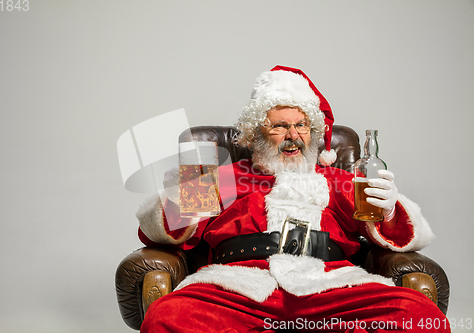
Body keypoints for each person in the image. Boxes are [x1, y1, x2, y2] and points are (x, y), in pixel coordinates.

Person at [136, 65, 449, 332]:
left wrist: (391, 209)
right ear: (256, 134)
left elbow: (393, 231)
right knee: (166, 318)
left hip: (330, 285)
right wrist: (174, 200)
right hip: (238, 288)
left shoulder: (338, 181)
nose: (293, 134)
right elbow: (160, 233)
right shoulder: (227, 178)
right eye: (280, 126)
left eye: (301, 125)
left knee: (419, 317)